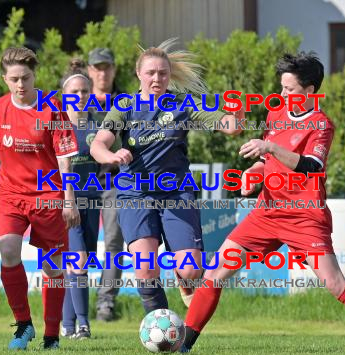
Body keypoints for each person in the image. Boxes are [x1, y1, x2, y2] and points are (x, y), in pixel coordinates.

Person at [179, 52, 345, 355]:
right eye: (282, 88)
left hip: (304, 217)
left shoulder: (321, 124)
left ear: (310, 91)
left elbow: (311, 167)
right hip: (266, 213)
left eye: (289, 89)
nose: (282, 95)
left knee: (335, 284)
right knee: (215, 273)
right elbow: (267, 161)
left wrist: (271, 147)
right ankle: (184, 345)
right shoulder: (276, 115)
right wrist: (254, 173)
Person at [90, 38, 244, 314]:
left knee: (191, 269)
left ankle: (184, 281)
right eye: (150, 72)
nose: (156, 78)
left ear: (170, 75)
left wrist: (238, 114)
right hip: (135, 194)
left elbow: (229, 127)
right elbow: (97, 144)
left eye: (162, 73)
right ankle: (159, 325)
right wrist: (111, 156)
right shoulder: (125, 106)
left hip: (176, 194)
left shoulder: (183, 105)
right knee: (146, 267)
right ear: (139, 74)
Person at [0, 47, 80, 350]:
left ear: (34, 75)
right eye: (14, 79)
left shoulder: (53, 109)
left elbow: (65, 160)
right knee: (8, 251)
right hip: (10, 195)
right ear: (5, 79)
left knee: (52, 266)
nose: (20, 85)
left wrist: (69, 200)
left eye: (25, 78)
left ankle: (52, 335)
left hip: (49, 195)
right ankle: (23, 325)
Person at [59, 58, 100, 339]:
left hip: (93, 199)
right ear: (65, 96)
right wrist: (66, 199)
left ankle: (68, 325)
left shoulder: (99, 127)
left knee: (79, 264)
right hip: (68, 202)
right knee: (79, 260)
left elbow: (111, 157)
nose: (80, 97)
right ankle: (83, 324)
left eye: (85, 92)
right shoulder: (58, 127)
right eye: (74, 92)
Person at [87, 48, 126, 322]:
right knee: (77, 245)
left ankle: (106, 303)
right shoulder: (76, 99)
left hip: (115, 178)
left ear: (114, 70)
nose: (102, 73)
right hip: (82, 180)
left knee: (113, 241)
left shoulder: (127, 101)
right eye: (97, 68)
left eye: (107, 67)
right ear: (89, 71)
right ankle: (72, 302)